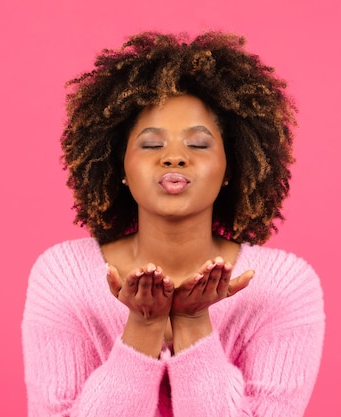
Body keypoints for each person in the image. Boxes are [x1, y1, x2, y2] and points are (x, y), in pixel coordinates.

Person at [22, 31, 325, 417]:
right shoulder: (64, 277)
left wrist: (194, 323)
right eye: (152, 145)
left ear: (231, 167)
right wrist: (142, 329)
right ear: (121, 169)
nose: (175, 158)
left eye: (198, 144)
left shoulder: (283, 287)